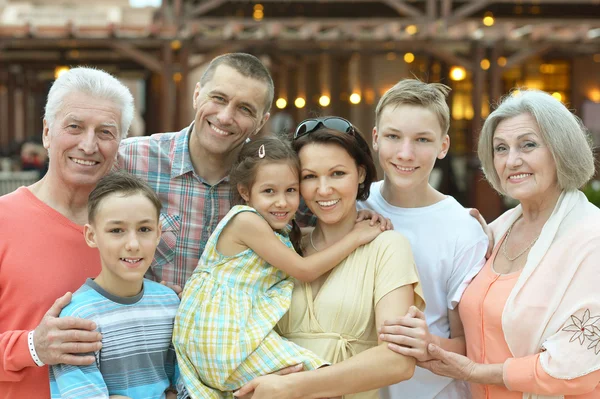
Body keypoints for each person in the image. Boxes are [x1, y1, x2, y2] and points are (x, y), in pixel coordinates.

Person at [383, 89, 600, 398]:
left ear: (560, 150)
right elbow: (479, 340)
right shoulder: (494, 232)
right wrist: (426, 342)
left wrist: (474, 372)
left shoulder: (591, 237)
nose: (512, 160)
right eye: (501, 148)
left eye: (528, 145)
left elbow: (578, 367)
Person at [174, 136, 384, 398]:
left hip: (224, 337)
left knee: (304, 382)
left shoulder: (274, 232)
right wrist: (356, 237)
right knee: (314, 379)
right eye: (269, 191)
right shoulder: (245, 221)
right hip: (220, 335)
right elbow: (304, 270)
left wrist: (354, 220)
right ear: (245, 192)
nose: (282, 202)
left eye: (290, 191)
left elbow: (308, 237)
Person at [236, 118, 425, 399]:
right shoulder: (283, 247)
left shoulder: (387, 247)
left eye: (337, 174)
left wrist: (291, 387)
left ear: (360, 174)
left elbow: (398, 361)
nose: (323, 190)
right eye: (309, 177)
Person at [0, 67, 134, 398]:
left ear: (120, 144)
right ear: (47, 132)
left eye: (105, 132)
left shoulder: (134, 236)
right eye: (74, 127)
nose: (88, 145)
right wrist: (32, 346)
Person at [359, 79, 488, 399]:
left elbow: (471, 344)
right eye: (393, 136)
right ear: (375, 138)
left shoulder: (463, 228)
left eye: (422, 139)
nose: (406, 153)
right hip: (356, 388)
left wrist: (428, 342)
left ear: (443, 146)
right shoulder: (353, 206)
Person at [117, 53, 273, 289]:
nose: (225, 117)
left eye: (245, 109)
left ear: (261, 122)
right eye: (219, 98)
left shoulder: (273, 183)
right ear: (197, 95)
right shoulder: (129, 159)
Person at [48, 171, 180, 399]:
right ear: (91, 236)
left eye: (144, 229)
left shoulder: (170, 304)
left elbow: (184, 385)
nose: (133, 244)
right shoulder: (78, 320)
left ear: (159, 233)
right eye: (116, 230)